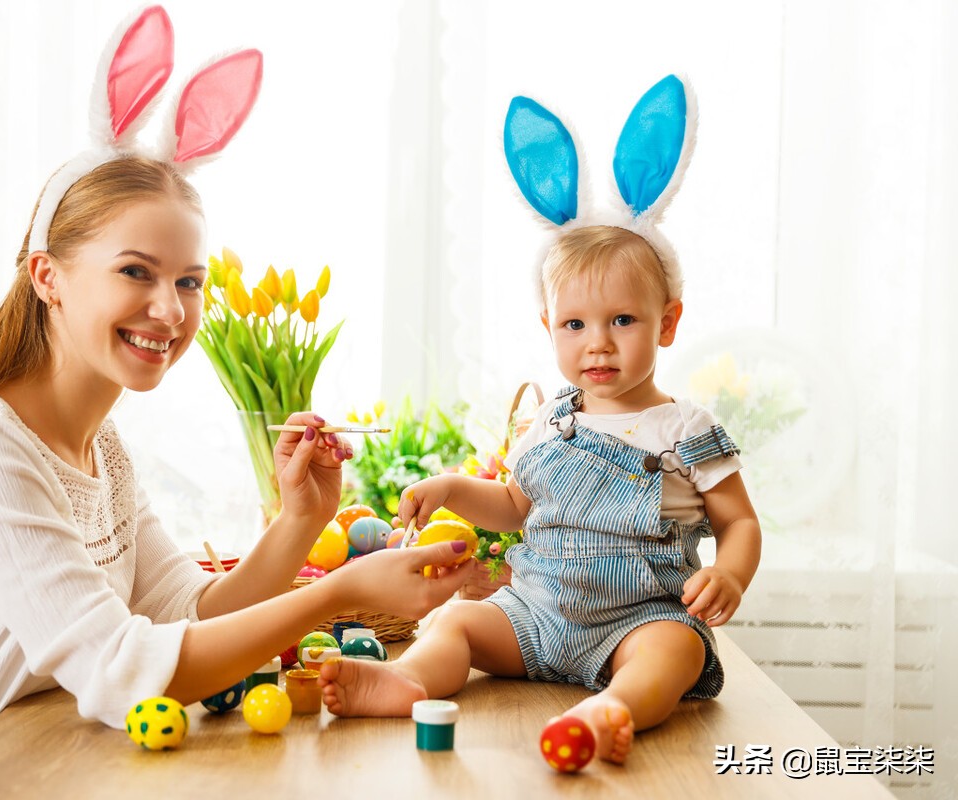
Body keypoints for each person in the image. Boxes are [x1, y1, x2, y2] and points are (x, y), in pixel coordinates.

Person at [0, 9, 473, 798]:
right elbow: (124, 672)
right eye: (136, 271)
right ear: (47, 277)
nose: (170, 310)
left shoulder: (100, 449)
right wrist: (336, 593)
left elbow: (184, 614)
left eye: (189, 281)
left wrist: (299, 522)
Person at [319, 77, 761, 766]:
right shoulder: (553, 422)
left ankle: (608, 710)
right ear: (548, 327)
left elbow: (739, 522)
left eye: (623, 320)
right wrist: (450, 489)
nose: (599, 343)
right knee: (458, 620)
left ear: (667, 323)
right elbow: (515, 505)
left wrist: (730, 573)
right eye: (576, 324)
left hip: (635, 621)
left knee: (672, 653)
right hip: (534, 617)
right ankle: (405, 682)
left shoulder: (684, 427)